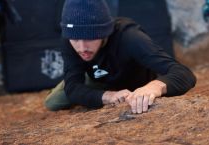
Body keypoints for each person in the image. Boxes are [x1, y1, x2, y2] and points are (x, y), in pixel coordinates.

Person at [44, 0, 196, 114]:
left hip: (134, 81)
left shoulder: (129, 37)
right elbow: (73, 88)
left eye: (90, 38)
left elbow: (183, 73)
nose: (82, 48)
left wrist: (154, 87)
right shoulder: (69, 39)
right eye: (76, 40)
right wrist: (107, 96)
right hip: (98, 79)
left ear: (104, 32)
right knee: (53, 102)